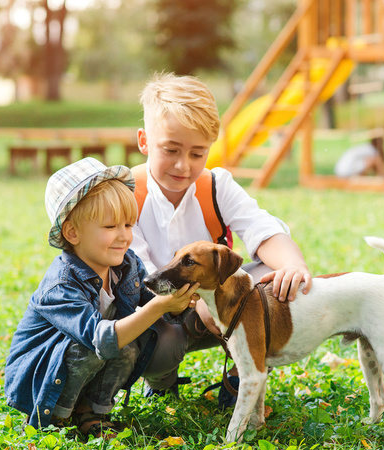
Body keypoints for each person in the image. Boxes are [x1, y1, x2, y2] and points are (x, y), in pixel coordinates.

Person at [131, 73, 313, 406]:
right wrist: (195, 301)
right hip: (153, 310)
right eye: (170, 150)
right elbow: (138, 273)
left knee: (264, 282)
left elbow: (262, 228)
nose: (184, 165)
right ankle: (160, 379)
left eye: (198, 154)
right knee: (163, 348)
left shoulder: (216, 186)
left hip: (217, 305)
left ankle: (241, 374)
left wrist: (293, 265)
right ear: (144, 141)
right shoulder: (127, 193)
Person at [4, 158, 200, 438]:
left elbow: (149, 302)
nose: (124, 237)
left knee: (128, 346)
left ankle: (91, 412)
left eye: (129, 225)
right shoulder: (61, 284)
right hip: (41, 375)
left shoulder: (127, 265)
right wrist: (158, 307)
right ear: (72, 232)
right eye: (110, 227)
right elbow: (100, 338)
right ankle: (55, 418)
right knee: (92, 347)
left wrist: (180, 303)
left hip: (90, 357)